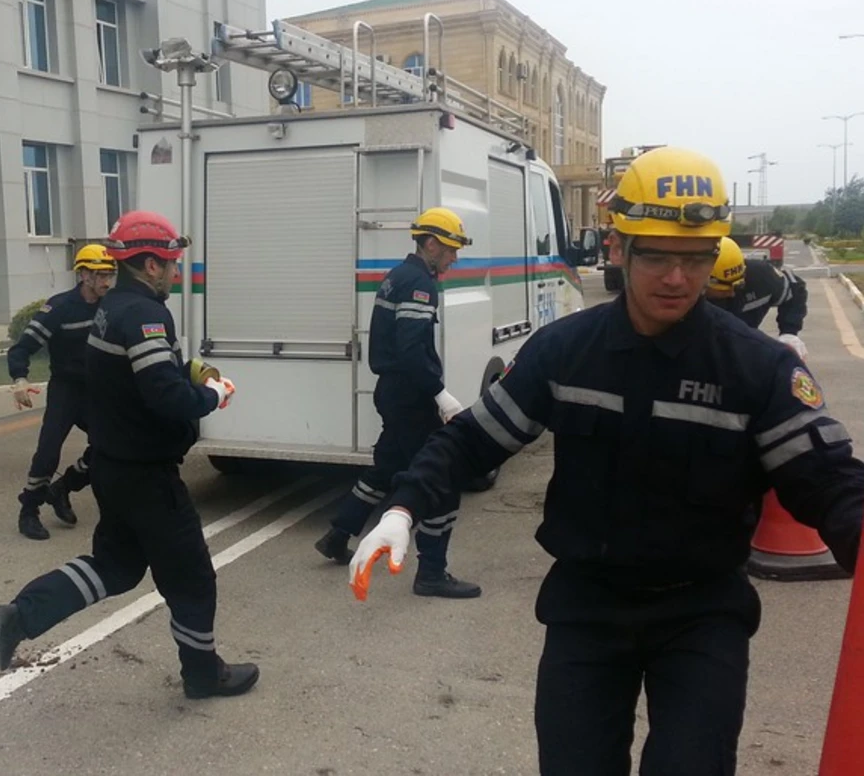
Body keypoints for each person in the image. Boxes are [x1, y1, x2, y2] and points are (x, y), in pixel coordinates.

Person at [346, 147, 864, 775]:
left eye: (696, 258)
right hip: (587, 608)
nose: (678, 278)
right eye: (657, 256)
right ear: (618, 248)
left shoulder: (757, 368)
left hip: (701, 616)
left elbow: (831, 482)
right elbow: (473, 439)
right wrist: (404, 505)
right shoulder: (568, 350)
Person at [0, 210, 258, 699]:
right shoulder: (147, 314)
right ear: (151, 264)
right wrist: (212, 395)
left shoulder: (112, 308)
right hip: (147, 476)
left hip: (113, 467)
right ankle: (202, 675)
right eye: (173, 263)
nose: (177, 271)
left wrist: (188, 368)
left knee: (114, 567)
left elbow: (138, 373)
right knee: (193, 577)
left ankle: (19, 616)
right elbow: (163, 395)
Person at [313, 207, 481, 599]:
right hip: (410, 396)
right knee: (440, 478)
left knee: (387, 466)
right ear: (432, 243)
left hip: (393, 392)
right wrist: (439, 393)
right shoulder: (420, 283)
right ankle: (433, 573)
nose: (454, 258)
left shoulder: (397, 275)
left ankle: (338, 534)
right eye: (451, 250)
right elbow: (411, 350)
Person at [8, 244, 115, 540]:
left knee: (110, 447)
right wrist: (19, 378)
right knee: (48, 451)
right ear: (83, 275)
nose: (106, 282)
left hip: (99, 390)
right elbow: (23, 347)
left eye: (110, 275)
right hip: (66, 388)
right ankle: (28, 510)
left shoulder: (113, 305)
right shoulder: (60, 307)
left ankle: (63, 488)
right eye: (99, 275)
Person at [706, 237, 809, 359]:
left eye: (738, 285)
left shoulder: (761, 277)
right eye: (724, 289)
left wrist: (789, 332)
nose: (732, 293)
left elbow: (795, 291)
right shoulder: (685, 291)